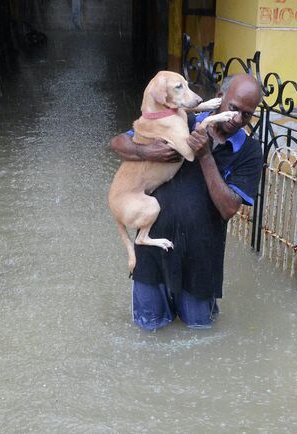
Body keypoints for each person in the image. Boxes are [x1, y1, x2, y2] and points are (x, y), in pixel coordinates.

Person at [109, 74, 263, 330]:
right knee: (148, 333)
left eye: (247, 115)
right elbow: (118, 143)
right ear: (219, 99)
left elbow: (228, 208)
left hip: (200, 262)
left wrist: (205, 156)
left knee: (199, 333)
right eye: (234, 108)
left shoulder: (249, 151)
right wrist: (145, 151)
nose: (237, 120)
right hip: (152, 256)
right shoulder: (179, 119)